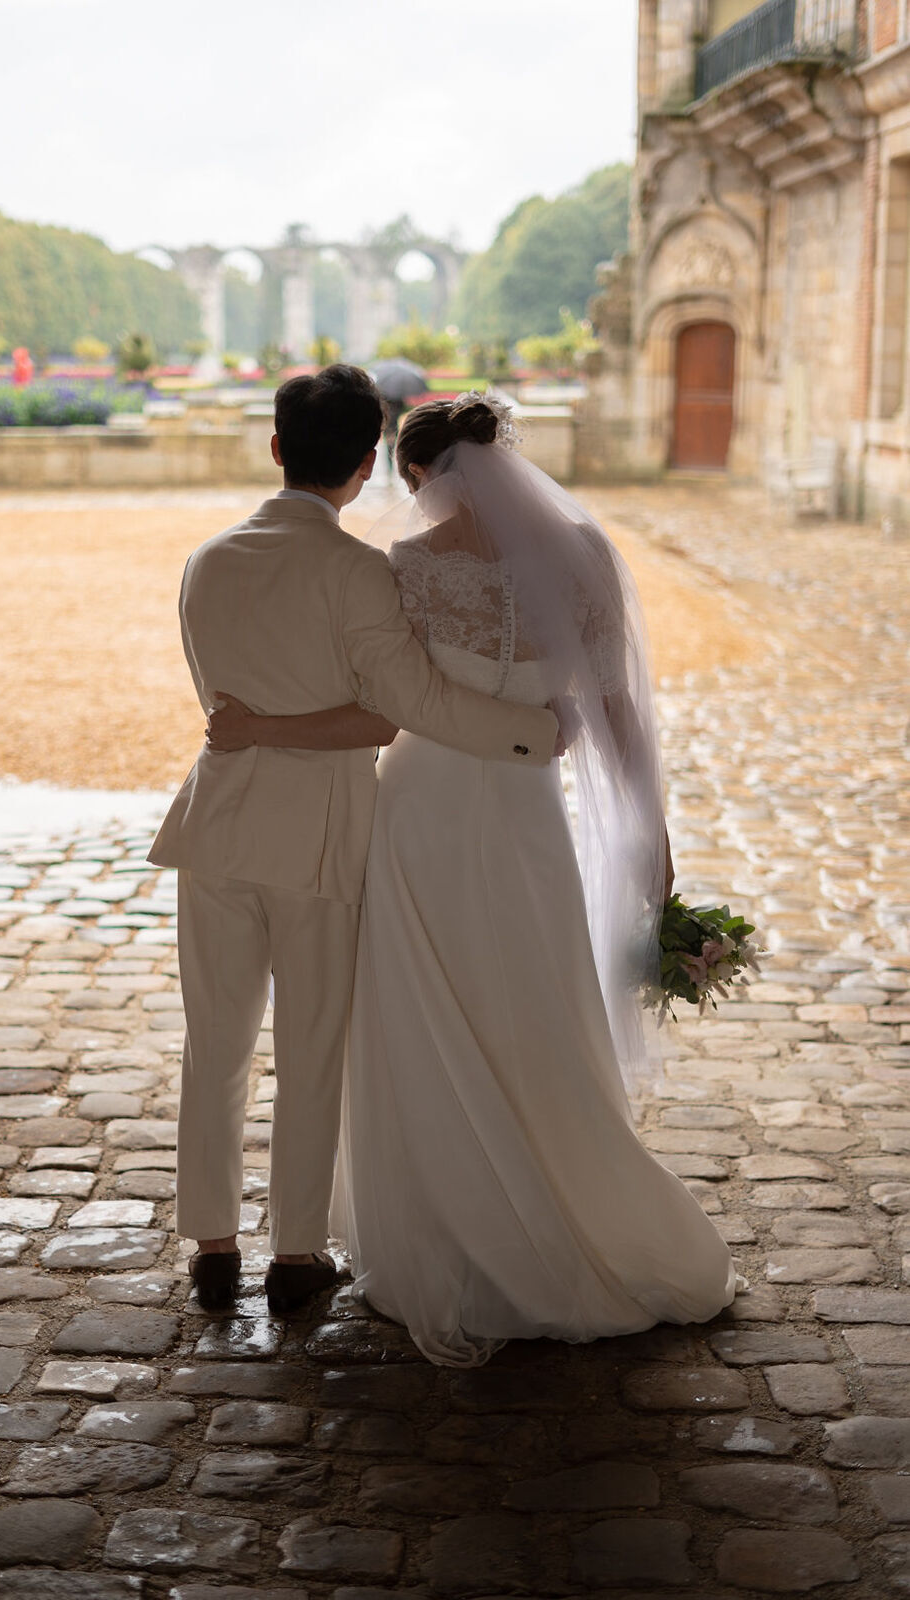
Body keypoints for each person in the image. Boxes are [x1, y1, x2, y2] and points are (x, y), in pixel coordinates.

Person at [206, 392, 738, 1364]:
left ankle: (441, 1234)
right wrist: (650, 836)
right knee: (534, 1007)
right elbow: (615, 713)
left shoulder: (407, 568)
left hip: (421, 815)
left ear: (417, 473)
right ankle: (571, 1209)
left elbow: (380, 703)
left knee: (422, 1016)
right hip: (526, 817)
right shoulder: (583, 557)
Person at [148, 367, 560, 1318]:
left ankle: (212, 1244)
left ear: (276, 447)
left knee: (215, 1044)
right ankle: (296, 1254)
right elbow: (404, 706)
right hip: (321, 841)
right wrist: (529, 734)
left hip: (216, 824)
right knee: (312, 1047)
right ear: (367, 463)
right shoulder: (355, 571)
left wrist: (261, 728)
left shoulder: (206, 559)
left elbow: (224, 701)